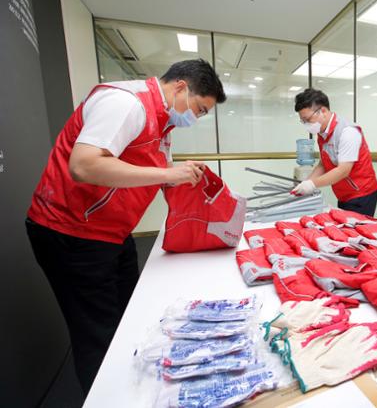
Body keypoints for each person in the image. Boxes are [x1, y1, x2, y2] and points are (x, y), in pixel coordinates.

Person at [25, 59, 226, 393]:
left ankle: (132, 390)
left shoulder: (163, 122)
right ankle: (106, 396)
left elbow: (138, 164)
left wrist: (178, 170)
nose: (197, 118)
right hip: (71, 233)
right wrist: (167, 174)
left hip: (112, 232)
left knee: (129, 317)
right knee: (98, 334)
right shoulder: (126, 103)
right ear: (180, 87)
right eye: (199, 109)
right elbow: (85, 165)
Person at [292, 88, 377, 216]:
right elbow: (324, 163)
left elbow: (343, 170)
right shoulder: (322, 133)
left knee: (354, 232)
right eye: (303, 121)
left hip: (361, 194)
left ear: (323, 111)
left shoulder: (348, 131)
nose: (306, 124)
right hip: (343, 193)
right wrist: (306, 183)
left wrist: (312, 184)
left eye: (307, 119)